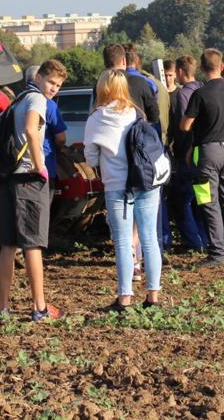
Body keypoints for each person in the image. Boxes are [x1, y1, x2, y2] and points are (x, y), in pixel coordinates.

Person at [0, 59, 68, 322]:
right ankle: (40, 307)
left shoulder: (18, 98)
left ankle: (3, 308)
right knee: (33, 244)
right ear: (39, 77)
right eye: (51, 82)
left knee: (8, 245)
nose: (53, 89)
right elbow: (30, 129)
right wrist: (41, 167)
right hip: (28, 178)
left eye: (58, 86)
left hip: (10, 178)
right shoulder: (37, 100)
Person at [84, 69, 162, 310]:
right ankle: (153, 297)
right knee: (149, 238)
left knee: (123, 242)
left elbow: (91, 157)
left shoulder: (97, 117)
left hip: (117, 185)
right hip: (147, 182)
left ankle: (125, 298)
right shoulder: (136, 113)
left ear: (102, 89)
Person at [181, 48, 224, 267]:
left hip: (207, 153)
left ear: (201, 68)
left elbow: (185, 125)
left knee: (208, 201)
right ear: (222, 66)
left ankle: (217, 254)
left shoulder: (200, 93)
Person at [167, 55, 208, 253]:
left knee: (182, 199)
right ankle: (205, 238)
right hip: (203, 151)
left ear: (181, 72)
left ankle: (193, 241)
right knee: (201, 198)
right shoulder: (203, 89)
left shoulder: (184, 95)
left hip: (187, 154)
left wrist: (180, 150)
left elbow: (185, 127)